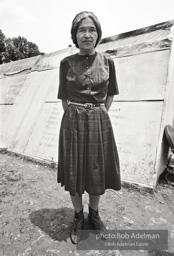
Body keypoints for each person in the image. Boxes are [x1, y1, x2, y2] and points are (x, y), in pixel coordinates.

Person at [57, 11, 121, 244]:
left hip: (99, 121)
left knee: (96, 171)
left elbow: (110, 94)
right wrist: (75, 115)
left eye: (91, 29)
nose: (87, 34)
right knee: (74, 171)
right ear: (75, 35)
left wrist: (98, 115)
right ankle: (78, 217)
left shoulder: (108, 62)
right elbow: (64, 97)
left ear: (98, 34)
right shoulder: (66, 63)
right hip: (72, 121)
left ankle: (93, 215)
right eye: (81, 30)